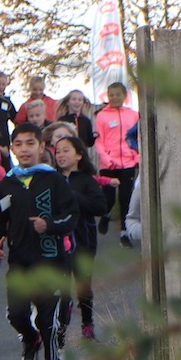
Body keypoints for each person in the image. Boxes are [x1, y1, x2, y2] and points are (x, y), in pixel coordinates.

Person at [0, 123, 79, 360]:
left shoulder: (54, 180)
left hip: (51, 260)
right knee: (17, 314)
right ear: (12, 149)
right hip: (20, 263)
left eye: (30, 143)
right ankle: (30, 339)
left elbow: (71, 215)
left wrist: (49, 225)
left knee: (48, 319)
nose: (24, 149)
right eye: (18, 144)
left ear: (42, 146)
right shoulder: (7, 184)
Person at [53, 134, 108, 341]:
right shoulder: (52, 180)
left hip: (83, 240)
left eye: (66, 150)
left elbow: (100, 207)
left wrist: (76, 197)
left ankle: (87, 322)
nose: (60, 155)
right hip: (58, 241)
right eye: (57, 151)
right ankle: (59, 326)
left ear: (79, 155)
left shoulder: (87, 180)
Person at [95, 81, 140, 238]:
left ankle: (124, 232)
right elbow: (99, 140)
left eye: (117, 94)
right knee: (108, 197)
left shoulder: (133, 115)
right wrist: (107, 159)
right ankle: (105, 215)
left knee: (125, 198)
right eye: (111, 95)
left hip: (127, 163)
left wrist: (136, 157)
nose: (114, 98)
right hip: (108, 164)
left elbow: (137, 138)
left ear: (124, 96)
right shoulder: (102, 115)